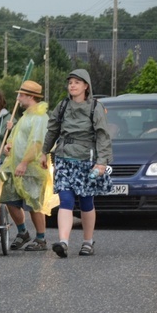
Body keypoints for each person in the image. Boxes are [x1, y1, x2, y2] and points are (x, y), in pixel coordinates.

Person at [41, 69, 112, 258]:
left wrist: (102, 162)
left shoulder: (95, 107)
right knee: (65, 199)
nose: (72, 85)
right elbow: (52, 131)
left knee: (87, 201)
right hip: (64, 159)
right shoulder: (62, 105)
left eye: (77, 82)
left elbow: (103, 136)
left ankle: (88, 242)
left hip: (86, 162)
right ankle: (63, 242)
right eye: (70, 82)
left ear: (86, 86)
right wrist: (44, 152)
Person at [0, 81, 53, 251]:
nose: (18, 98)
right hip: (14, 167)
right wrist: (9, 144)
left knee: (33, 204)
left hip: (31, 169)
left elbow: (37, 143)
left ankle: (41, 238)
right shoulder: (25, 116)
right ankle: (22, 232)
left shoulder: (40, 117)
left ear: (30, 96)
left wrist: (24, 162)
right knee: (8, 199)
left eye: (21, 95)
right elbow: (16, 137)